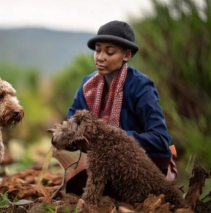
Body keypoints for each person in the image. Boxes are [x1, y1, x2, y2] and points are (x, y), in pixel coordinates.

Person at [60, 20, 177, 195]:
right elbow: (71, 122)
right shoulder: (87, 86)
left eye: (110, 52)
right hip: (104, 162)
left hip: (140, 165)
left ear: (126, 55)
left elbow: (160, 138)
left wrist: (113, 139)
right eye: (98, 50)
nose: (100, 57)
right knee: (74, 185)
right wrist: (67, 137)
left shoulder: (141, 86)